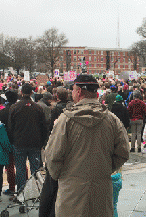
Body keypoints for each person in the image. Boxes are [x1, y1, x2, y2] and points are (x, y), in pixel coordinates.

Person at [45, 74, 129, 217]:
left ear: (78, 92)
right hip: (101, 189)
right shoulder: (112, 119)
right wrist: (105, 167)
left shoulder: (65, 120)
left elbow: (53, 156)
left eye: (72, 89)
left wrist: (64, 176)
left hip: (71, 190)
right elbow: (123, 152)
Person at [9, 83, 48, 192]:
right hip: (35, 143)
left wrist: (13, 140)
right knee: (35, 169)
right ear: (32, 92)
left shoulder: (14, 107)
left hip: (19, 142)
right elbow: (44, 127)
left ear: (21, 92)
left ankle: (22, 191)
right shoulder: (38, 108)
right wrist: (42, 142)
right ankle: (35, 191)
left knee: (20, 169)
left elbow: (10, 127)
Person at [0, 90, 18, 195]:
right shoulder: (20, 109)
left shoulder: (3, 112)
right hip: (19, 140)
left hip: (7, 141)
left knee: (9, 166)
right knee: (21, 165)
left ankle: (12, 187)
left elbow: (0, 128)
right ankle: (25, 187)